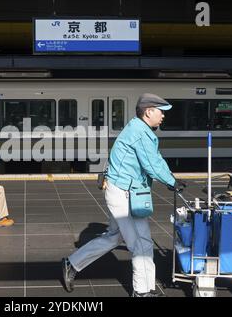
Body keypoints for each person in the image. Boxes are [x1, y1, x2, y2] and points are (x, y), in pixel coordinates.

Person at [62, 93, 186, 297]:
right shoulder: (140, 133)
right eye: (161, 112)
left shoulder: (137, 128)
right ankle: (142, 291)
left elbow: (155, 159)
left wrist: (171, 177)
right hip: (125, 195)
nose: (163, 116)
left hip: (122, 191)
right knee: (140, 242)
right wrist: (171, 182)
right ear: (149, 112)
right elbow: (152, 164)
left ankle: (72, 263)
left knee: (114, 237)